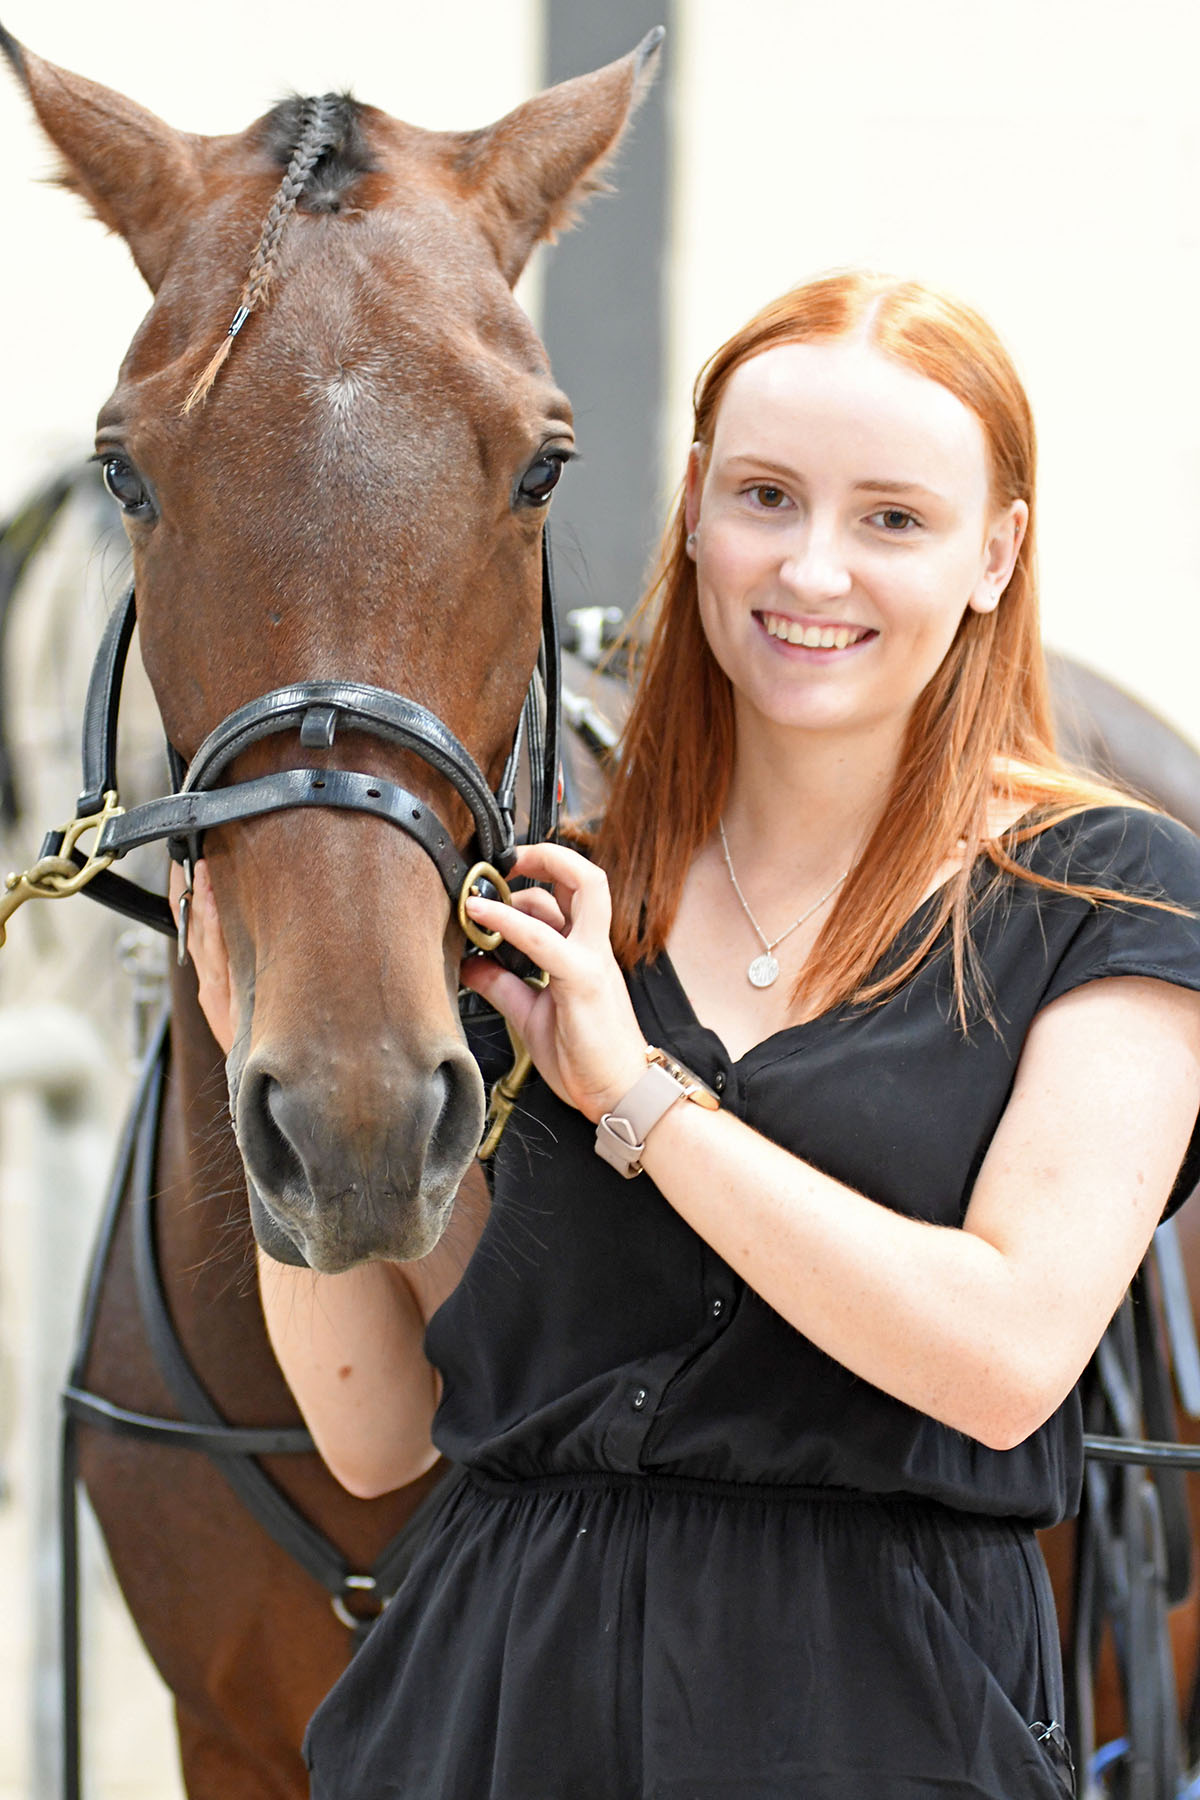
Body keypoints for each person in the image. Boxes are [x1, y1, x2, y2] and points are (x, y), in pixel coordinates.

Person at [180, 272, 1200, 1798]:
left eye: (893, 518)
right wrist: (249, 1044)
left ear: (996, 553)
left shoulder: (1104, 898)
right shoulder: (555, 908)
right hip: (490, 1715)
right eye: (766, 497)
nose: (813, 567)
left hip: (874, 1728)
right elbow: (382, 1433)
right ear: (697, 509)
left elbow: (1003, 1360)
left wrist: (636, 1096)